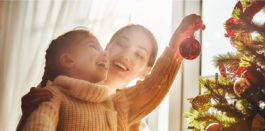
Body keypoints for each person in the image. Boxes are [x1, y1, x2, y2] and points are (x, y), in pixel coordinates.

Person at [19, 14, 205, 131]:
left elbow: (153, 87)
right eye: (122, 44)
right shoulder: (51, 94)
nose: (125, 55)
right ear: (105, 48)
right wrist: (29, 115)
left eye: (139, 54)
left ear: (145, 72)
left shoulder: (127, 112)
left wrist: (176, 45)